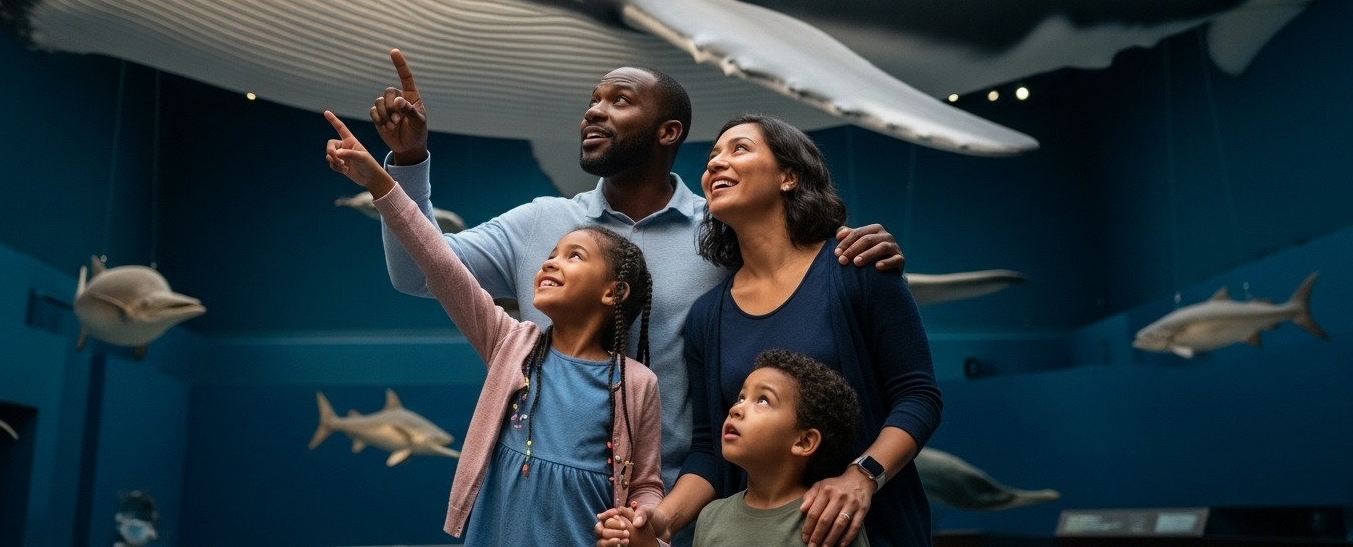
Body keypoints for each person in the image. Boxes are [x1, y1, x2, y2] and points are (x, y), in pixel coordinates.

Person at [370, 49, 905, 520]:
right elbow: (420, 272)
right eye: (593, 100)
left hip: (681, 509)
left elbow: (799, 269)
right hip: (537, 503)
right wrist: (410, 162)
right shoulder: (539, 221)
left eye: (619, 100)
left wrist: (859, 245)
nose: (594, 110)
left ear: (667, 131)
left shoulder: (724, 231)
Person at [324, 110, 664, 545]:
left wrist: (640, 521)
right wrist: (381, 184)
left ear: (613, 292)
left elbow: (647, 485)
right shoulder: (511, 344)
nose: (551, 262)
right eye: (552, 254)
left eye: (574, 256)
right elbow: (442, 264)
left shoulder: (637, 383)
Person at [601, 114, 941, 547]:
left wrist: (863, 477)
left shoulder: (858, 267)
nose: (715, 165)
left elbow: (918, 396)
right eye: (712, 157)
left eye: (739, 149)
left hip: (876, 527)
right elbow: (709, 450)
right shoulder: (708, 315)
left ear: (788, 176)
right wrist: (659, 523)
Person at [611, 349, 869, 547]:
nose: (736, 408)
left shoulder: (828, 519)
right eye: (741, 397)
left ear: (804, 442)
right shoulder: (712, 517)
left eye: (763, 400)